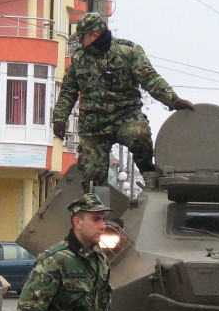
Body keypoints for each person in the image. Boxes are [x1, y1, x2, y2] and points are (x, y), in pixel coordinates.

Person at [51, 12, 194, 189]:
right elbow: (68, 91)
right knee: (91, 174)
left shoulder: (128, 51)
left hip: (126, 115)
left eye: (82, 37)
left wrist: (173, 100)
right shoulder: (79, 58)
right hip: (94, 124)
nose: (80, 41)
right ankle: (94, 203)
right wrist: (59, 118)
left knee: (140, 136)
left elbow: (150, 79)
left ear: (94, 35)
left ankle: (149, 174)